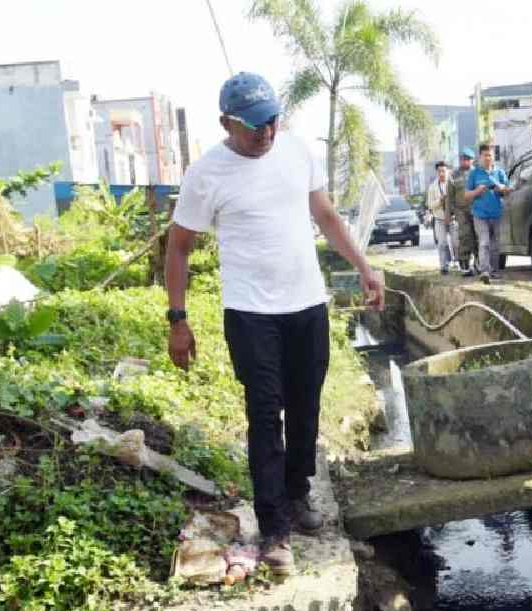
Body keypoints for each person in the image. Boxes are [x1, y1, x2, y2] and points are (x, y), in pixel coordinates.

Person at [165, 72, 385, 576]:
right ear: (226, 122)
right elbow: (178, 248)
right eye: (253, 126)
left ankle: (300, 490)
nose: (266, 133)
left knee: (306, 407)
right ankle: (274, 528)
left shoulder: (295, 151)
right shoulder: (206, 174)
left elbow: (326, 215)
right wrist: (178, 319)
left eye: (272, 121)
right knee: (266, 415)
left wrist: (365, 267)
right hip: (250, 314)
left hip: (307, 305)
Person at [464, 144, 511, 281]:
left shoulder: (500, 172)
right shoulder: (474, 174)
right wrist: (477, 191)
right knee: (484, 242)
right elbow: (466, 195)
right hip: (480, 214)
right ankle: (484, 271)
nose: (488, 158)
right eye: (485, 155)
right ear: (480, 157)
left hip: (496, 213)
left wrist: (502, 189)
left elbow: (508, 190)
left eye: (490, 155)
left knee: (496, 245)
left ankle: (494, 271)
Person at [447, 148, 479, 275]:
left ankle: (478, 263)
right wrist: (449, 213)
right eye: (462, 159)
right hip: (461, 210)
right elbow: (450, 196)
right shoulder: (454, 175)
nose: (464, 161)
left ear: (472, 160)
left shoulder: (477, 173)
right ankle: (465, 265)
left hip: (476, 208)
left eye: (467, 159)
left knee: (477, 236)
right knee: (465, 236)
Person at [426, 161, 455, 274]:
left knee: (456, 242)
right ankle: (444, 266)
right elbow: (429, 205)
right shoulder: (432, 187)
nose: (441, 173)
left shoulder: (453, 184)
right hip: (439, 219)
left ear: (447, 171)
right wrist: (440, 200)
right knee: (442, 243)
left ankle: (460, 262)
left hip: (453, 218)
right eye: (439, 171)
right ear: (436, 172)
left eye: (443, 171)